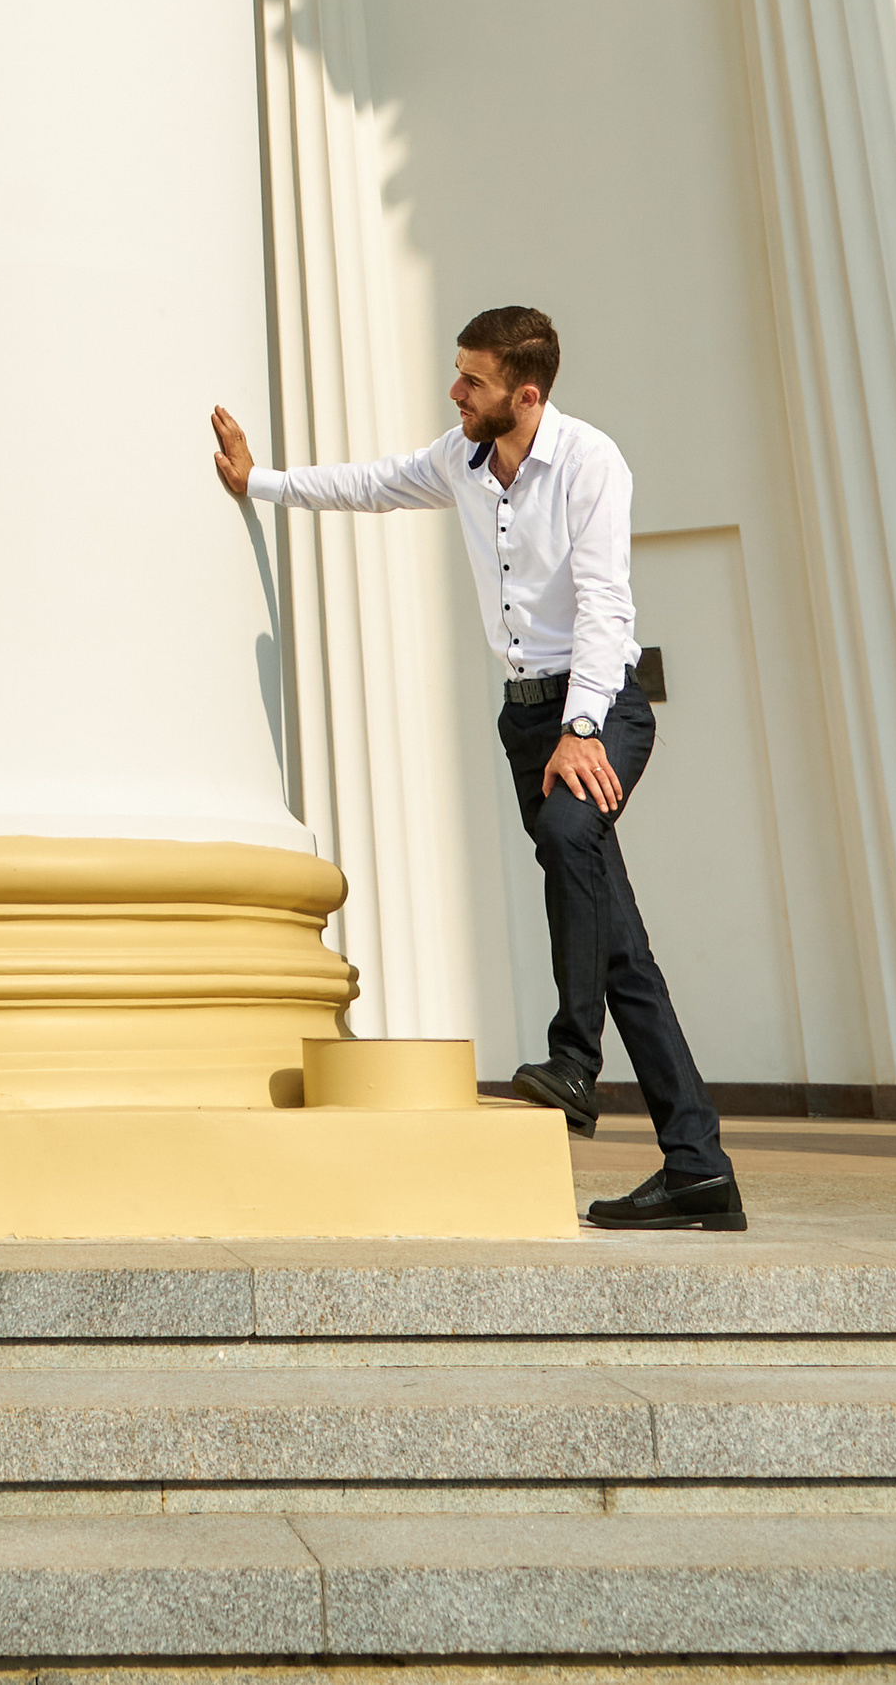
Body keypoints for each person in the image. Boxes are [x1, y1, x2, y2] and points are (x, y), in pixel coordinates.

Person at [210, 302, 743, 1233]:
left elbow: (606, 606)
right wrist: (261, 483)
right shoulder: (459, 458)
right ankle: (698, 1165)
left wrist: (582, 728)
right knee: (622, 950)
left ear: (524, 394)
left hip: (598, 708)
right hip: (526, 723)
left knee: (574, 831)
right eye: (459, 374)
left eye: (473, 381)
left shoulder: (589, 463)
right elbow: (371, 484)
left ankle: (574, 1062)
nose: (455, 392)